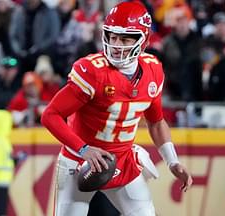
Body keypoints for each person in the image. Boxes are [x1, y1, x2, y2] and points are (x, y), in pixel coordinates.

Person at [41, 2, 193, 216]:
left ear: (143, 40)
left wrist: (172, 161)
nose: (115, 44)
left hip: (122, 160)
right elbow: (50, 115)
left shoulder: (153, 70)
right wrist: (85, 149)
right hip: (80, 162)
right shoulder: (93, 72)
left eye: (124, 38)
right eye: (112, 37)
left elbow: (156, 121)